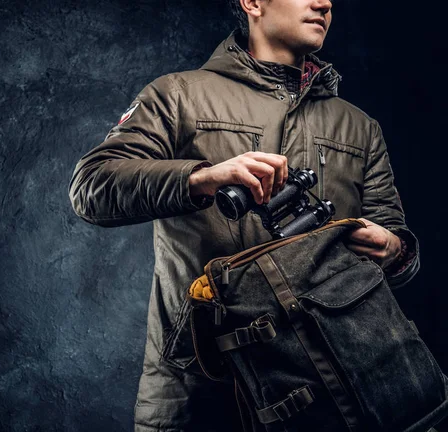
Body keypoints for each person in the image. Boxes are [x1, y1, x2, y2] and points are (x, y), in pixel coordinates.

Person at [68, 0, 420, 430]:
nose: (325, 3)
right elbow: (92, 187)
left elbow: (397, 250)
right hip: (200, 397)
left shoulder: (360, 128)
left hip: (330, 400)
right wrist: (201, 178)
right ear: (252, 3)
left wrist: (394, 248)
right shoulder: (177, 95)